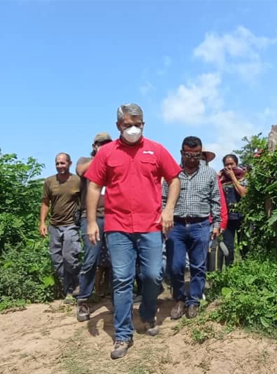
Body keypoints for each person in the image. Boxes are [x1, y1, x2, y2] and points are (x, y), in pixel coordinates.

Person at [84, 103, 181, 360]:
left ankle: (148, 315)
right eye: (128, 125)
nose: (133, 129)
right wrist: (92, 222)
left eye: (137, 124)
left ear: (144, 124)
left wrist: (168, 209)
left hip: (150, 224)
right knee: (122, 279)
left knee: (152, 275)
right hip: (117, 226)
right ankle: (123, 334)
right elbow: (94, 187)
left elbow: (174, 179)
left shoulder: (156, 149)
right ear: (119, 126)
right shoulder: (106, 153)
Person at [163, 137, 221, 320]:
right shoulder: (172, 173)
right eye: (188, 154)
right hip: (177, 225)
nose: (191, 158)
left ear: (201, 153)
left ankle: (194, 301)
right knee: (176, 265)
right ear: (181, 153)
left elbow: (215, 200)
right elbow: (164, 199)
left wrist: (217, 223)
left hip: (200, 225)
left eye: (196, 155)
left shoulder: (210, 174)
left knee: (198, 265)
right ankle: (179, 299)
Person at [75, 132, 113, 321]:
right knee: (91, 259)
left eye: (108, 143)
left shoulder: (115, 161)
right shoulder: (86, 160)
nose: (105, 146)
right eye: (101, 143)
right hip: (92, 218)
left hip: (114, 217)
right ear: (94, 145)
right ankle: (83, 300)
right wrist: (101, 155)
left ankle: (116, 299)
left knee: (117, 260)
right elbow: (81, 170)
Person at [39, 153, 82, 304]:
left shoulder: (77, 181)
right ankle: (69, 291)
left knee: (70, 257)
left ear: (69, 164)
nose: (60, 166)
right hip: (54, 226)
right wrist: (42, 223)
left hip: (71, 224)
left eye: (62, 163)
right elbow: (45, 203)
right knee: (57, 260)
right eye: (57, 163)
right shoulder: (49, 181)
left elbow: (85, 200)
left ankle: (79, 284)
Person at [219, 154, 248, 264]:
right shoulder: (221, 179)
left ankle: (246, 269)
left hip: (242, 216)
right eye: (227, 165)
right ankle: (229, 271)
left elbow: (243, 193)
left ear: (236, 164)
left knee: (244, 245)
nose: (229, 167)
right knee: (228, 247)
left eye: (232, 164)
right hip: (227, 218)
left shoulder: (244, 177)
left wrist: (233, 178)